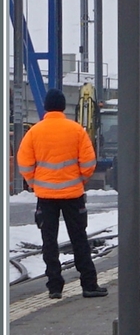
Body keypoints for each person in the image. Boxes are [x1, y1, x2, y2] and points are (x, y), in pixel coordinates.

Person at [16, 90, 106, 300]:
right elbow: (88, 162)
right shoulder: (76, 130)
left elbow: (25, 162)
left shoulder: (34, 132)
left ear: (46, 107)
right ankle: (89, 285)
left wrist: (34, 183)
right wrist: (80, 180)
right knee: (79, 238)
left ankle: (54, 286)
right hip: (73, 194)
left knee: (49, 240)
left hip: (45, 196)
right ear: (64, 107)